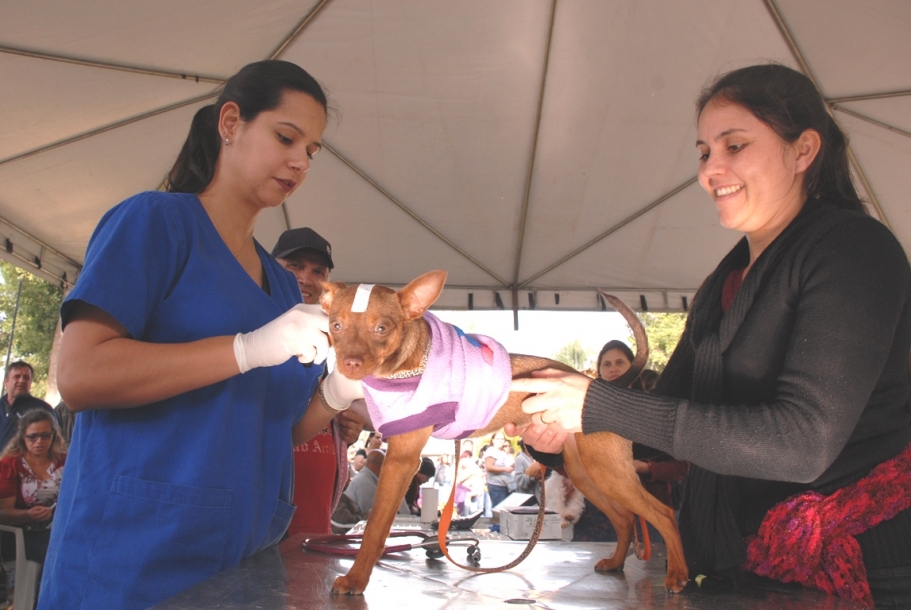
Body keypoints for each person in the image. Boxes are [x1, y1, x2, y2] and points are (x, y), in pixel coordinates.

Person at [510, 63, 911, 608]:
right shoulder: (724, 283)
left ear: (803, 150)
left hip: (859, 563)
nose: (710, 171)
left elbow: (802, 445)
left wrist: (595, 405)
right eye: (704, 153)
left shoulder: (853, 250)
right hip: (739, 564)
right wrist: (562, 434)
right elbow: (655, 430)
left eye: (734, 146)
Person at [39, 60, 364, 609]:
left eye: (311, 151)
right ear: (230, 123)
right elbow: (79, 375)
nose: (300, 162)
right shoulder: (155, 222)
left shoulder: (282, 289)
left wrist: (335, 394)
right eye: (286, 138)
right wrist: (245, 350)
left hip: (243, 562)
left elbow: (269, 431)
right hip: (132, 561)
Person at [272, 227, 366, 537]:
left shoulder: (324, 347)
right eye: (295, 265)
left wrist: (342, 429)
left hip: (315, 521)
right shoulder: (248, 332)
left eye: (318, 272)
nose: (306, 278)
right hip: (263, 528)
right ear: (270, 267)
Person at [0, 409, 66, 565]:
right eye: (33, 436)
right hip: (23, 533)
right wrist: (29, 514)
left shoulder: (64, 461)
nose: (39, 441)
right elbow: (3, 513)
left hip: (57, 528)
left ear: (54, 435)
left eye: (45, 435)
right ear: (23, 437)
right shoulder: (11, 465)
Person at [0, 362, 56, 451]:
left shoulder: (42, 409)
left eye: (26, 378)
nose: (21, 380)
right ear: (5, 381)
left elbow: (55, 440)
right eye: (17, 376)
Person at [483, 432, 515, 508]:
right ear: (493, 440)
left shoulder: (503, 452)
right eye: (498, 439)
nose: (500, 441)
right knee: (499, 509)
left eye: (502, 439)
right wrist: (505, 469)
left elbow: (508, 466)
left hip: (507, 485)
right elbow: (489, 467)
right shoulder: (491, 451)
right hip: (497, 486)